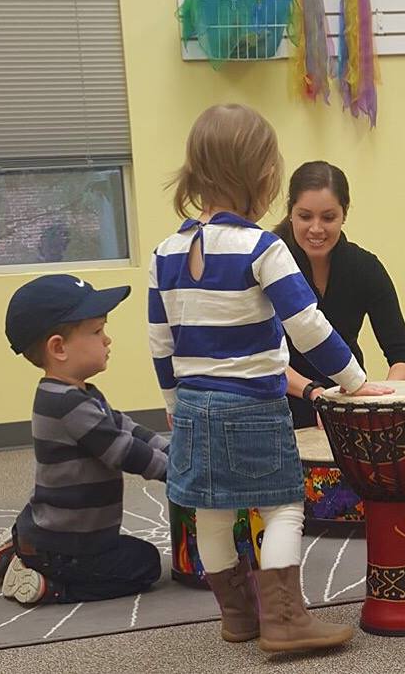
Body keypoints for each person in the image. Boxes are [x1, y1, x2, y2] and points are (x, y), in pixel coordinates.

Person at [148, 104, 391, 653]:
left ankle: (238, 616)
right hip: (253, 405)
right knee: (281, 505)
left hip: (191, 405)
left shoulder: (164, 252)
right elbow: (308, 327)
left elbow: (160, 342)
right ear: (262, 176)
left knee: (211, 511)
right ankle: (284, 620)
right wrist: (354, 382)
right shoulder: (263, 248)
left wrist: (171, 401)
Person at [0, 275, 167, 604]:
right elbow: (121, 451)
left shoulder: (78, 393)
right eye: (97, 332)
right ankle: (49, 585)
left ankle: (22, 550)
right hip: (67, 548)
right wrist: (175, 471)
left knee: (129, 551)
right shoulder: (67, 403)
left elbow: (124, 427)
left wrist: (172, 449)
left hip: (54, 533)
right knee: (144, 564)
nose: (108, 340)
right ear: (58, 348)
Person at [274, 161, 405, 427]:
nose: (316, 228)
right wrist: (314, 394)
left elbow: (403, 356)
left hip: (348, 403)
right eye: (305, 216)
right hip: (281, 407)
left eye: (328, 218)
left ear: (344, 214)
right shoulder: (271, 265)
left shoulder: (365, 268)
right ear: (291, 213)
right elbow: (264, 358)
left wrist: (375, 401)